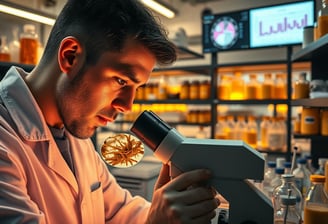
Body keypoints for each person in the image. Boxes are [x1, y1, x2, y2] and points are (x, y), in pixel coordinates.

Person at [0, 0, 220, 223]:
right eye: (121, 81)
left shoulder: (75, 135)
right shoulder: (5, 145)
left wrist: (167, 211)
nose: (127, 106)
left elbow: (118, 211)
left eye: (136, 89)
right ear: (71, 56)